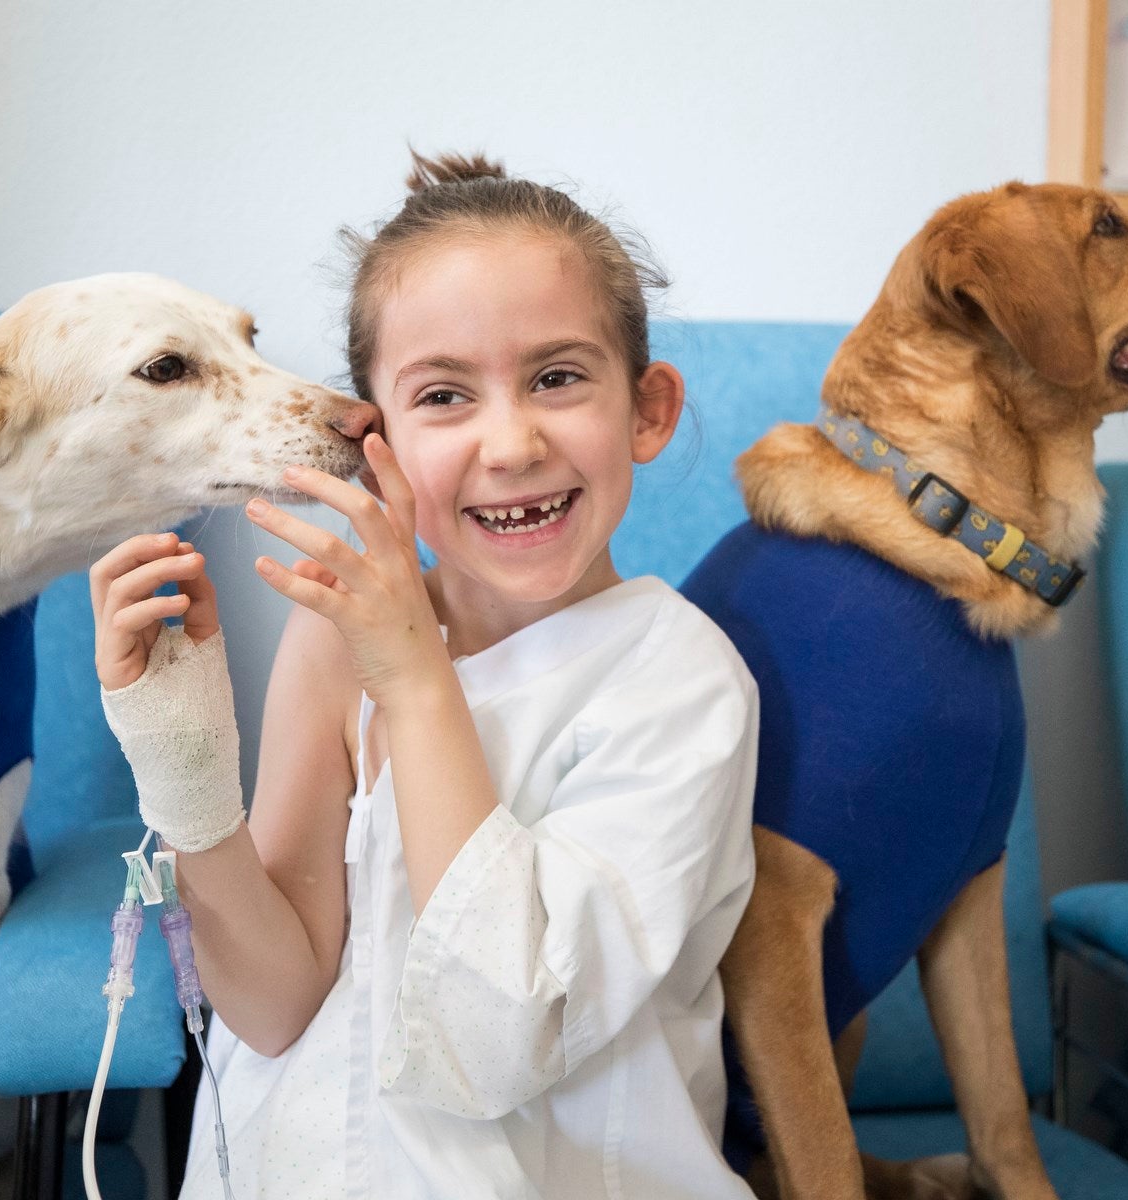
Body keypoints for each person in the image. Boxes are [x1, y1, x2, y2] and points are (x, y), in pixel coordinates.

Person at [92, 152, 759, 1199]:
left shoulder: (677, 679)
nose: (509, 443)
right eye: (444, 395)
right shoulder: (331, 639)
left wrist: (411, 677)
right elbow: (271, 1006)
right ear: (378, 441)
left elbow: (502, 1036)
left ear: (647, 407)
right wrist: (183, 768)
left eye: (556, 377)